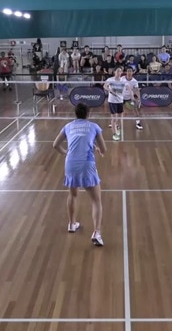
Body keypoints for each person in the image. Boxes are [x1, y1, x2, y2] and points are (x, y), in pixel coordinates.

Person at [52, 103, 108, 246]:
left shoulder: (68, 126)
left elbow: (55, 145)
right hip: (86, 164)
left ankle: (72, 223)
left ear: (75, 114)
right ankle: (96, 232)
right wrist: (98, 149)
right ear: (88, 114)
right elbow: (104, 149)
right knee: (96, 200)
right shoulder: (94, 127)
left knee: (73, 194)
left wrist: (66, 153)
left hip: (70, 163)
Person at [104, 67, 126, 141]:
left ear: (121, 72)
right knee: (113, 118)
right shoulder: (110, 80)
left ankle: (117, 127)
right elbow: (105, 86)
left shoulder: (123, 80)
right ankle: (114, 133)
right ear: (114, 72)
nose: (119, 73)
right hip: (112, 101)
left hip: (120, 101)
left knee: (119, 118)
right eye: (117, 71)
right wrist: (110, 91)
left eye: (120, 71)